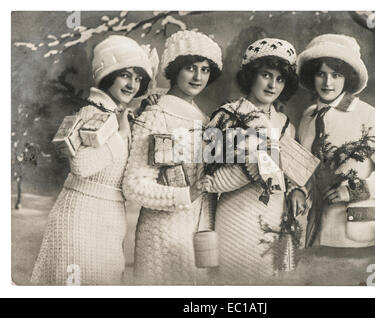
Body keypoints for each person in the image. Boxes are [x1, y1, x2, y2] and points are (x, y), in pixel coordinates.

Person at [30, 35, 156, 285]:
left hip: (108, 218)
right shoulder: (93, 111)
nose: (132, 84)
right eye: (125, 75)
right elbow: (82, 165)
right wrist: (120, 135)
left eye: (137, 77)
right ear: (109, 75)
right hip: (81, 217)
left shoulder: (116, 113)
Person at [122, 30, 223, 285]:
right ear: (175, 69)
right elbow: (134, 185)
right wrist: (184, 195)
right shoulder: (156, 115)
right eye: (190, 68)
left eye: (205, 69)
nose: (198, 77)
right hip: (162, 234)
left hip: (200, 233)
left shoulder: (206, 119)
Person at [293, 34, 375, 249]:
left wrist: (353, 190)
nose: (328, 83)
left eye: (336, 74)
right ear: (313, 77)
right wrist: (300, 190)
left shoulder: (369, 116)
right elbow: (304, 171)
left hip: (357, 233)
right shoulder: (308, 118)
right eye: (321, 74)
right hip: (315, 233)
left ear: (347, 77)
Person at [201, 38, 300, 283]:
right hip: (236, 211)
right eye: (266, 75)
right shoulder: (226, 116)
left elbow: (290, 171)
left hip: (274, 211)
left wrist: (297, 189)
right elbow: (208, 172)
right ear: (251, 76)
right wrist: (250, 170)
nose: (272, 85)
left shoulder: (286, 124)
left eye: (280, 79)